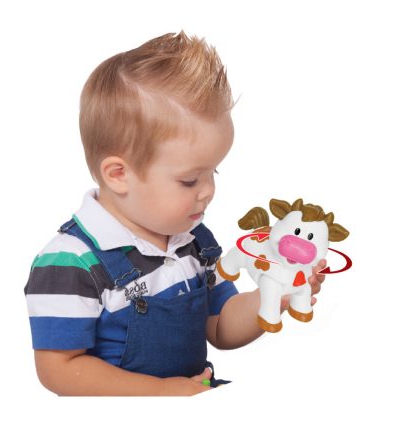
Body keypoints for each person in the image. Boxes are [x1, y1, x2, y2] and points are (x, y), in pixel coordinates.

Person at [24, 31, 326, 396]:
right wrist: (162, 392)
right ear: (119, 175)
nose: (208, 191)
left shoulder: (193, 242)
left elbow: (220, 326)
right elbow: (58, 369)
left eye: (213, 172)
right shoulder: (70, 262)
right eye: (189, 180)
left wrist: (270, 297)